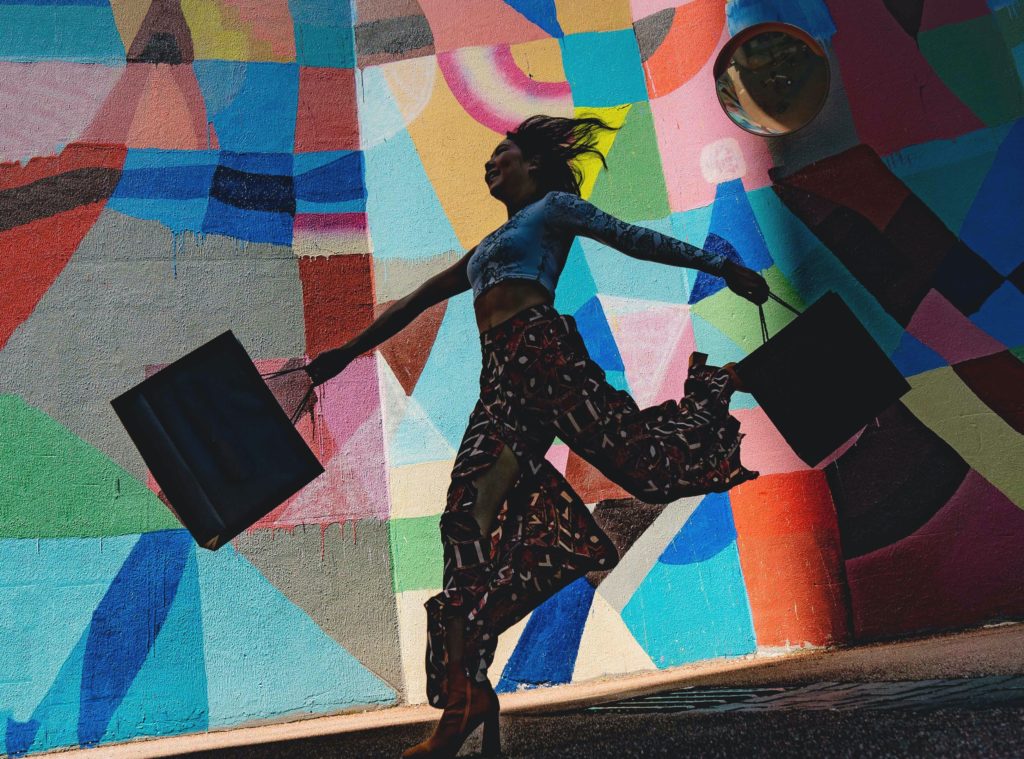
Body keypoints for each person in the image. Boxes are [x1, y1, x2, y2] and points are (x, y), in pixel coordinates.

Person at [303, 115, 768, 758]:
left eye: (504, 154)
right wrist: (345, 353)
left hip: (547, 356)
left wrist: (722, 266)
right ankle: (465, 699)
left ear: (535, 167)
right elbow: (414, 302)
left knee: (644, 467)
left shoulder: (552, 209)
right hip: (500, 378)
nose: (491, 164)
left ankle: (717, 387)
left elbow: (630, 239)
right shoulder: (486, 248)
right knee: (463, 518)